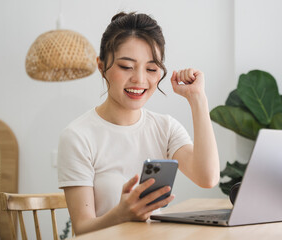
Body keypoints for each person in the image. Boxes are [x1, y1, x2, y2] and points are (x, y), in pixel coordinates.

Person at [57, 11, 220, 235]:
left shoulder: (165, 128)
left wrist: (197, 99)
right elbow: (82, 228)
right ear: (101, 66)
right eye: (126, 66)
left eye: (152, 69)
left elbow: (207, 177)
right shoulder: (78, 136)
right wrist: (121, 214)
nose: (140, 80)